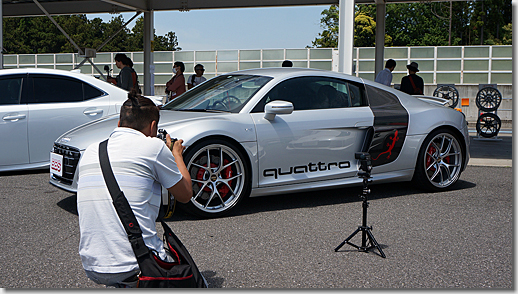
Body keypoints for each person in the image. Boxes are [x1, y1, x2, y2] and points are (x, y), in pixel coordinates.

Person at [76, 90, 193, 288]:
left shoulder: (91, 150)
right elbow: (185, 195)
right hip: (135, 265)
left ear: (119, 123)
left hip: (92, 265)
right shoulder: (153, 147)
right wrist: (176, 155)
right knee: (193, 279)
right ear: (153, 126)